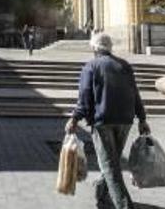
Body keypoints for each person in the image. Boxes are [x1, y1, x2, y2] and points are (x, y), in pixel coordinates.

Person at [65, 33, 150, 209]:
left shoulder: (91, 66)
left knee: (110, 166)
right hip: (125, 121)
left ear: (95, 48)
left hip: (103, 122)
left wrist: (74, 118)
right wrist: (142, 119)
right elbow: (135, 93)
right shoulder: (125, 65)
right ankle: (101, 195)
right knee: (112, 161)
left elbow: (84, 98)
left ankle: (124, 205)